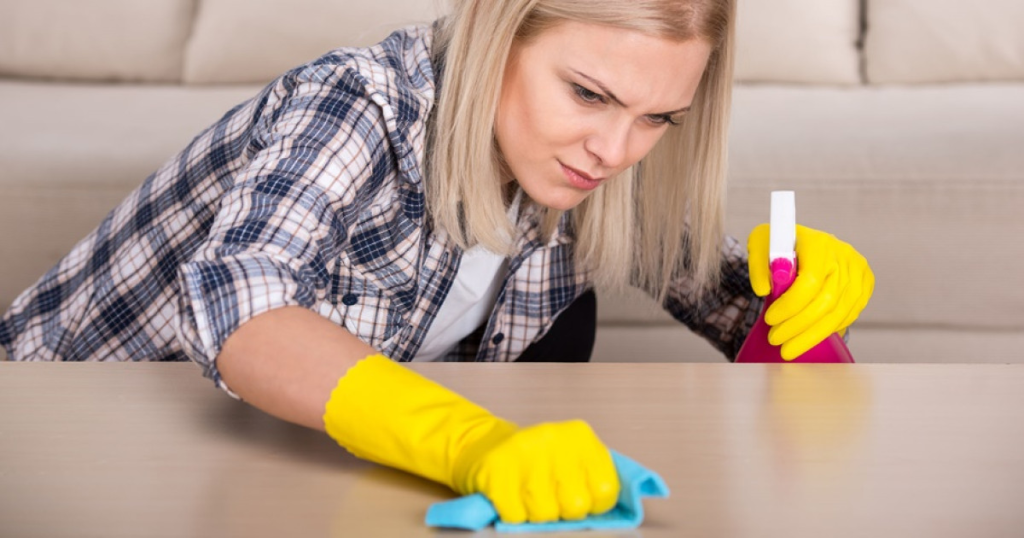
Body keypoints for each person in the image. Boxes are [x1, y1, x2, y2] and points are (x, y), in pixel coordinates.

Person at [0, 0, 873, 525]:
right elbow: (245, 301)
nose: (615, 149)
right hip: (63, 444)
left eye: (657, 119)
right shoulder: (359, 103)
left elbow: (733, 306)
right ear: (499, 31)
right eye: (587, 93)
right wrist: (469, 440)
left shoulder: (589, 164)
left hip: (263, 470)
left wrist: (801, 304)